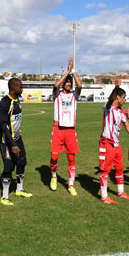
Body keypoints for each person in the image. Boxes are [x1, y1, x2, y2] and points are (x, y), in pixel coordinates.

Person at [98, 81, 129, 203]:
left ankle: (120, 192)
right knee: (105, 170)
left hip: (116, 144)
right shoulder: (108, 107)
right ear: (118, 97)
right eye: (123, 98)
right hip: (107, 143)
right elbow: (110, 100)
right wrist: (116, 87)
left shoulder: (121, 111)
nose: (124, 100)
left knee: (119, 168)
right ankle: (104, 196)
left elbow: (127, 125)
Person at [49, 58, 82, 196]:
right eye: (66, 82)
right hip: (58, 129)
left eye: (70, 82)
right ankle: (54, 176)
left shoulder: (74, 95)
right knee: (55, 157)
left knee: (71, 159)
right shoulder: (57, 94)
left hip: (70, 130)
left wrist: (73, 71)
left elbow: (80, 86)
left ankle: (71, 184)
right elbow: (56, 85)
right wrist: (67, 72)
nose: (68, 84)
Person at [0, 78, 32, 205]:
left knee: (22, 162)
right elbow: (3, 125)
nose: (22, 89)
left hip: (17, 138)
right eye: (21, 87)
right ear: (14, 88)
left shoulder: (17, 100)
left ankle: (19, 189)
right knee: (9, 166)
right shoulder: (4, 103)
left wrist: (16, 140)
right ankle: (5, 196)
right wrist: (12, 144)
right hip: (6, 141)